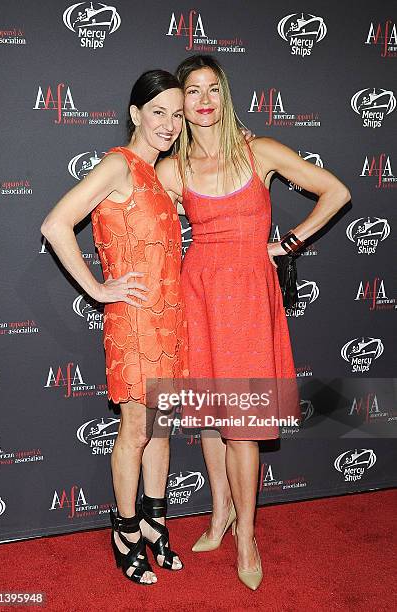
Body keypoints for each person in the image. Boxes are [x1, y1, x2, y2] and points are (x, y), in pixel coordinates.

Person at [156, 54, 351, 591]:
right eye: (191, 91)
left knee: (242, 423)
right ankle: (220, 512)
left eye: (211, 88)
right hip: (199, 293)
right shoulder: (174, 169)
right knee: (214, 415)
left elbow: (336, 191)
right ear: (181, 103)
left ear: (225, 95)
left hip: (247, 296)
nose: (202, 100)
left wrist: (287, 245)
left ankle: (248, 534)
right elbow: (141, 218)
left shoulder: (258, 151)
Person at [41, 70, 189, 586]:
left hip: (171, 320)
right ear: (135, 114)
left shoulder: (162, 173)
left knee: (162, 429)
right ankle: (124, 529)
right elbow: (56, 224)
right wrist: (98, 288)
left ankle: (155, 519)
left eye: (176, 113)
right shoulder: (118, 165)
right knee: (134, 430)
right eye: (158, 112)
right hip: (134, 323)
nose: (169, 124)